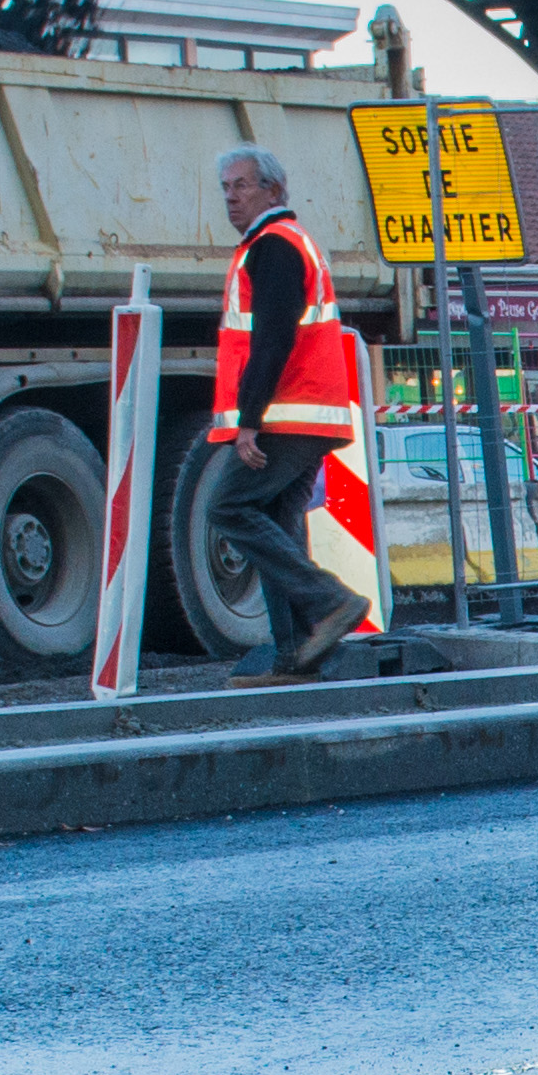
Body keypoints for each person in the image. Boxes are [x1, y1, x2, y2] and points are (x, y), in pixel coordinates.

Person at [210, 142, 373, 678]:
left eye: (242, 186)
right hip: (306, 412)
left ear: (274, 189)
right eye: (226, 188)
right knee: (278, 521)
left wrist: (249, 421)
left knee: (228, 508)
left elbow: (272, 340)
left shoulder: (273, 247)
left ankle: (329, 603)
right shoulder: (284, 242)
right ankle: (296, 652)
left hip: (288, 414)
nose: (231, 198)